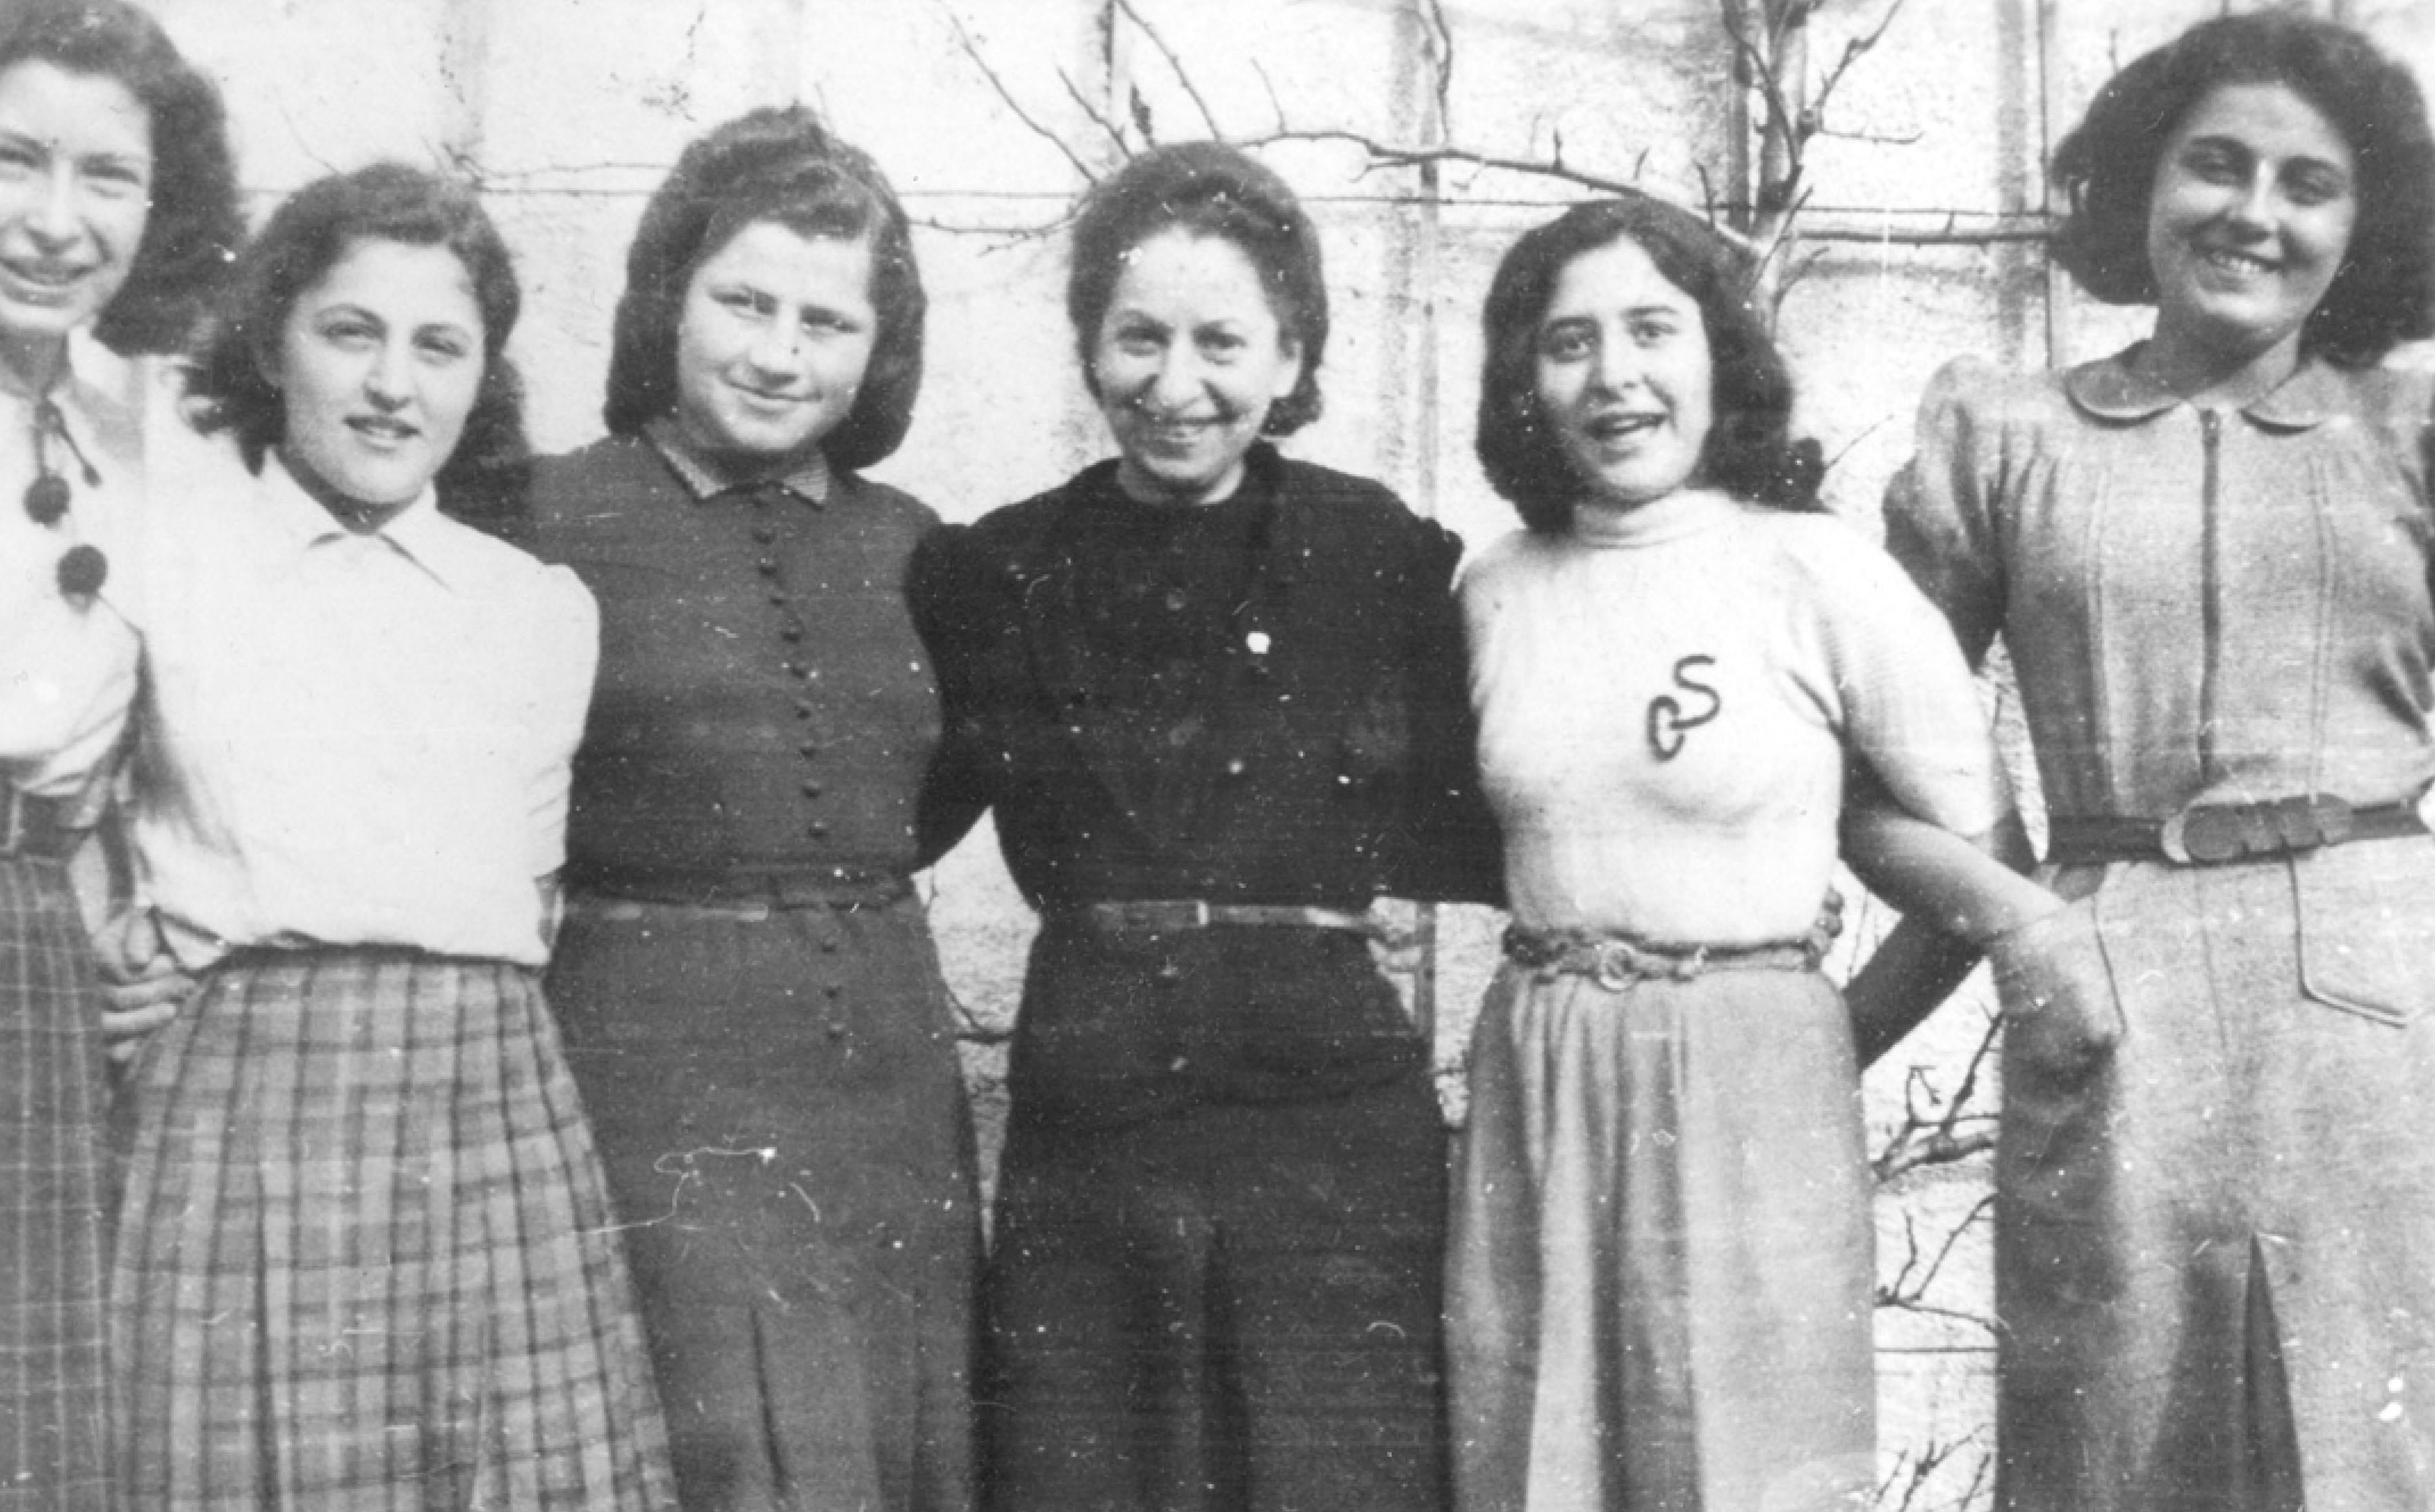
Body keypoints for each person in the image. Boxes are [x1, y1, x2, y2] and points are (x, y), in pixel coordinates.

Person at [1884, 13, 2435, 1509]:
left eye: (2307, 184)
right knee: (2112, 1455)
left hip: (2383, 1017)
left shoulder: (2407, 428)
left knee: (2377, 1454)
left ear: (2358, 223)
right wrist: (2016, 932)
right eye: (2216, 164)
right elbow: (1885, 758)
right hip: (2107, 990)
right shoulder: (2003, 436)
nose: (2254, 211)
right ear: (2140, 182)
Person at [909, 141, 1498, 1511]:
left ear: (1291, 357)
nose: (1176, 386)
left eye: (1222, 341)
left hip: (1330, 1117)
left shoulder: (1381, 557)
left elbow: (1481, 816)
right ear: (1088, 349)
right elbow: (900, 814)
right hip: (1095, 1106)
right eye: (1138, 338)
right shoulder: (994, 571)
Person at [1448, 195, 2051, 1512]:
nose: (1614, 375)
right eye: (1568, 343)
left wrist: (1828, 1036)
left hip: (1752, 1080)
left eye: (1652, 329)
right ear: (1524, 382)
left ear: (1718, 355)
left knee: (1747, 1477)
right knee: (1529, 1462)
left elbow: (1985, 857)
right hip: (1539, 1071)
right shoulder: (1491, 587)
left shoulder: (1811, 572)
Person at [89, 163, 674, 1511]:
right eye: (349, 332)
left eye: (438, 346)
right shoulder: (168, 561)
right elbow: (77, 808)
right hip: (237, 1110)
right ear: (273, 340)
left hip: (484, 1109)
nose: (390, 386)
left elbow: (527, 882)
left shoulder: (535, 607)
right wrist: (103, 948)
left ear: (481, 376)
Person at [523, 108, 977, 1512]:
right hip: (656, 1062)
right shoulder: (540, 520)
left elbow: (931, 793)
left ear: (877, 348)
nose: (783, 354)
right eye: (745, 302)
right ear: (669, 300)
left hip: (887, 1070)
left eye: (829, 323)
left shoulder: (918, 547)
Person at [0, 2, 238, 1505]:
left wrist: (156, 924)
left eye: (108, 177)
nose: (54, 221)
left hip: (32, 961)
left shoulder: (131, 428)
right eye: (12, 159)